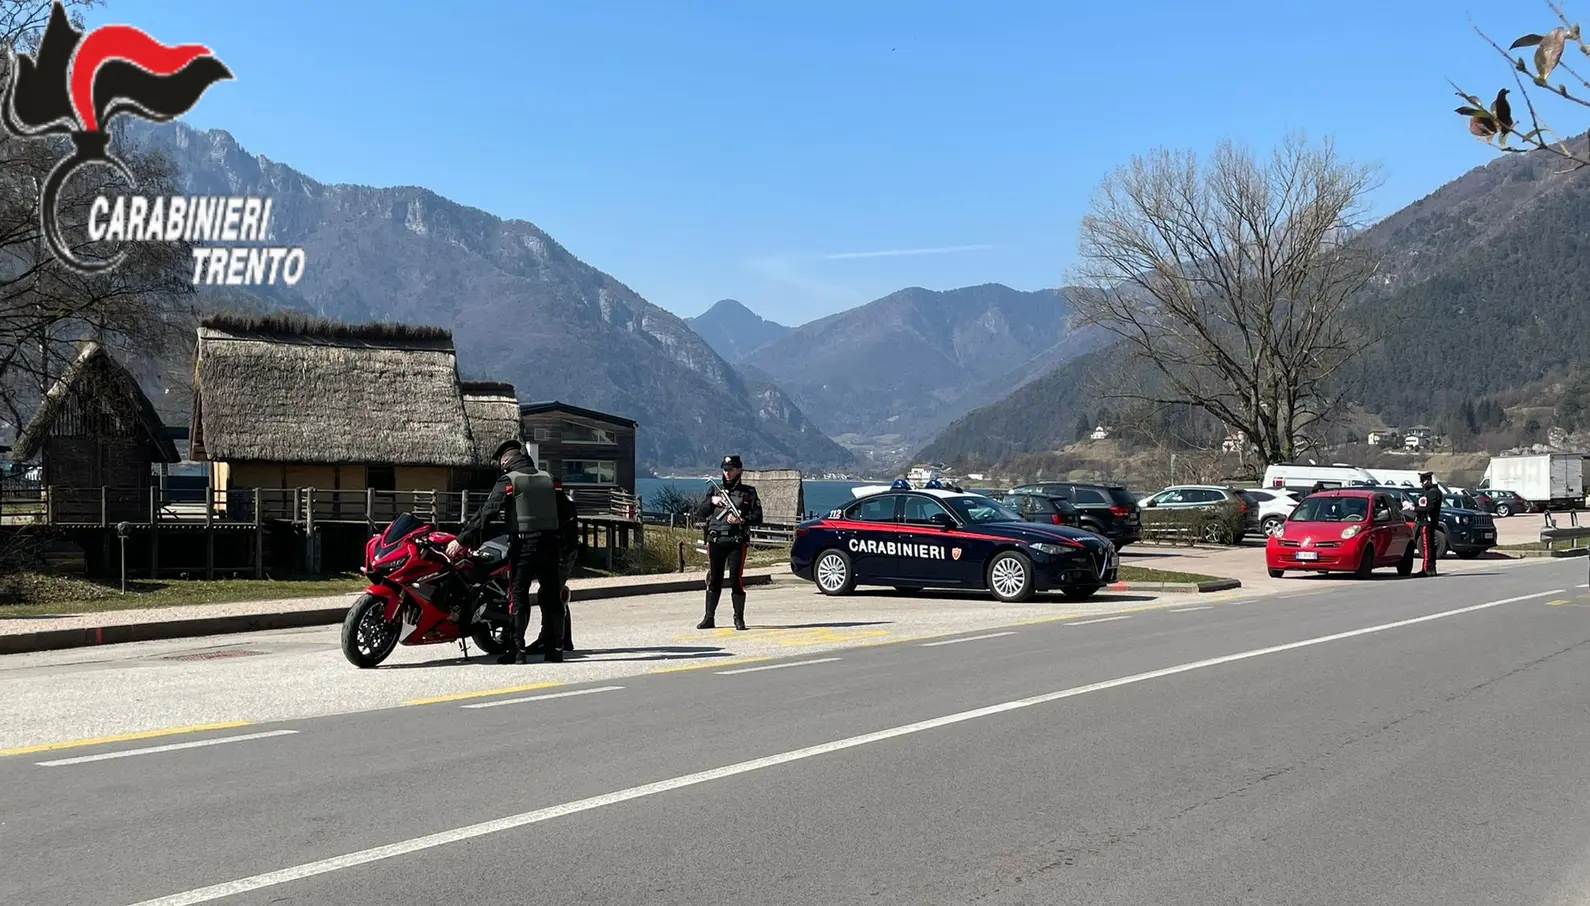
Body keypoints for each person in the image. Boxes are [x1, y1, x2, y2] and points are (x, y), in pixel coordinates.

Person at [448, 439, 566, 663]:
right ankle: (556, 649)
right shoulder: (551, 480)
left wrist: (462, 539)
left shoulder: (509, 481)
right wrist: (566, 546)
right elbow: (567, 514)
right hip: (551, 546)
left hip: (524, 546)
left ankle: (517, 651)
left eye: (501, 463)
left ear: (506, 461)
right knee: (551, 597)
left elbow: (487, 513)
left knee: (518, 596)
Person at [691, 454, 763, 631]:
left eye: (731, 469)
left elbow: (758, 517)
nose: (727, 473)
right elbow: (701, 512)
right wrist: (712, 501)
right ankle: (709, 617)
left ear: (739, 470)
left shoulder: (749, 492)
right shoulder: (715, 491)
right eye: (725, 470)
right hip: (716, 540)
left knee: (735, 580)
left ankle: (739, 618)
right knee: (714, 579)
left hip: (736, 541)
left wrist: (742, 519)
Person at [1413, 471, 1442, 577]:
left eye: (1424, 481)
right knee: (1429, 546)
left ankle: (1427, 568)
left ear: (1428, 480)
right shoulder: (1428, 492)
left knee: (1426, 546)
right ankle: (1431, 567)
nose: (1422, 484)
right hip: (1427, 521)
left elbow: (1429, 508)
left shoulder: (1433, 492)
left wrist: (1414, 509)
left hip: (1427, 521)